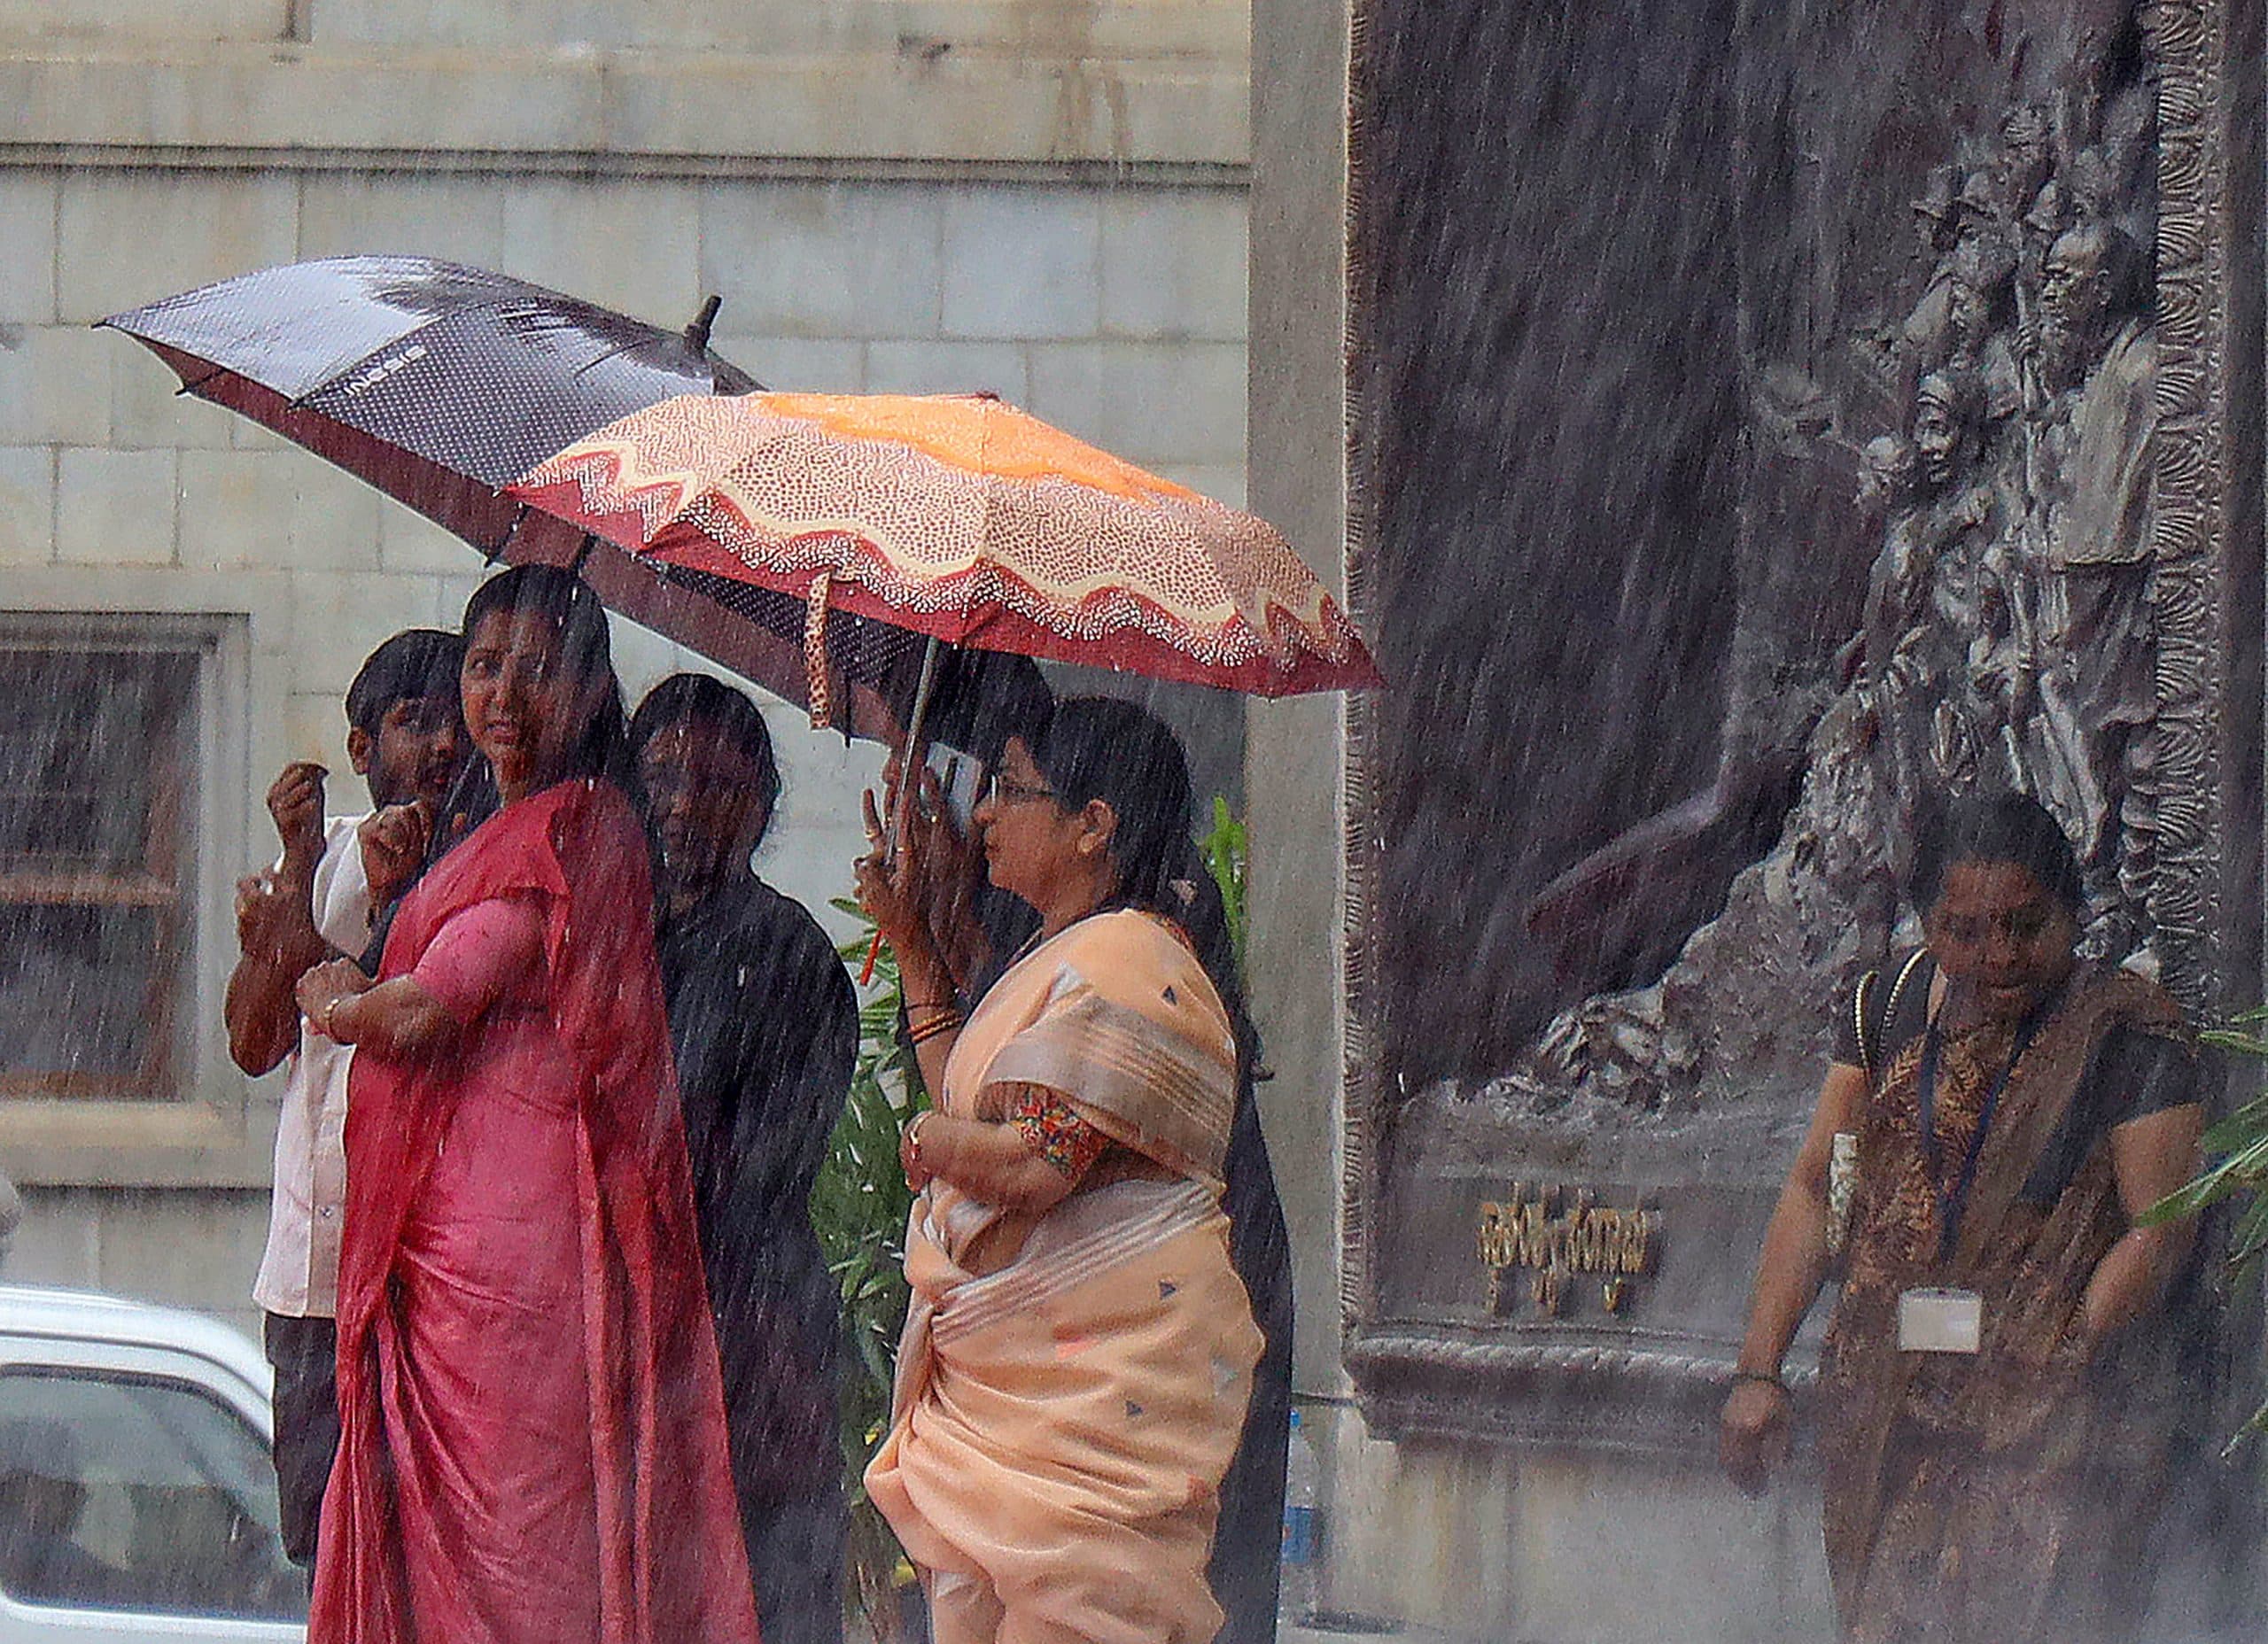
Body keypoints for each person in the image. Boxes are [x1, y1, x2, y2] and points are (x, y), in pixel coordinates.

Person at [291, 566, 758, 1644]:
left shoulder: (580, 826)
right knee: (450, 1552)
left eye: (538, 669)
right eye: (484, 665)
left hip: (514, 1263)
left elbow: (425, 1010)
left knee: (518, 1545)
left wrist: (334, 997)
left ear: (591, 689)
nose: (503, 693)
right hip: (451, 1241)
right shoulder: (497, 829)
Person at [1719, 792, 2205, 1643]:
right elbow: (1817, 1190)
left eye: (2026, 926)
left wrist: (2044, 1355)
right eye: (1967, 931)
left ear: (2073, 913)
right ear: (1928, 926)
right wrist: (1759, 1371)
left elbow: (2160, 1229)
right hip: (1890, 1417)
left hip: (2058, 1438)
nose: (2000, 956)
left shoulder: (2125, 1035)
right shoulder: (1890, 1010)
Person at [879, 657, 1295, 1641]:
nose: (984, 812)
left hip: (1087, 1400)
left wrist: (931, 1142)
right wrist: (912, 942)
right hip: (1018, 1389)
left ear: (1092, 824)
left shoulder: (1131, 958)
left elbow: (1037, 1165)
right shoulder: (1061, 948)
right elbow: (969, 1095)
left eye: (1011, 788)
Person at [223, 628, 465, 1577]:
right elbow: (254, 1042)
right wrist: (296, 866)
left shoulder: (476, 862)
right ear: (361, 748)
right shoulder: (319, 861)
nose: (442, 743)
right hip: (310, 1283)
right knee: (322, 1553)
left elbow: (400, 1012)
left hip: (416, 1281)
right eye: (414, 721)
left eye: (453, 721)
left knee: (416, 1562)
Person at [628, 673, 858, 1644]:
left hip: (750, 1339)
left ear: (761, 806)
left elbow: (756, 1170)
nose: (684, 806)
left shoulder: (790, 956)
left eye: (717, 785)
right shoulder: (612, 932)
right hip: (636, 1325)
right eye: (663, 778)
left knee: (759, 1599)